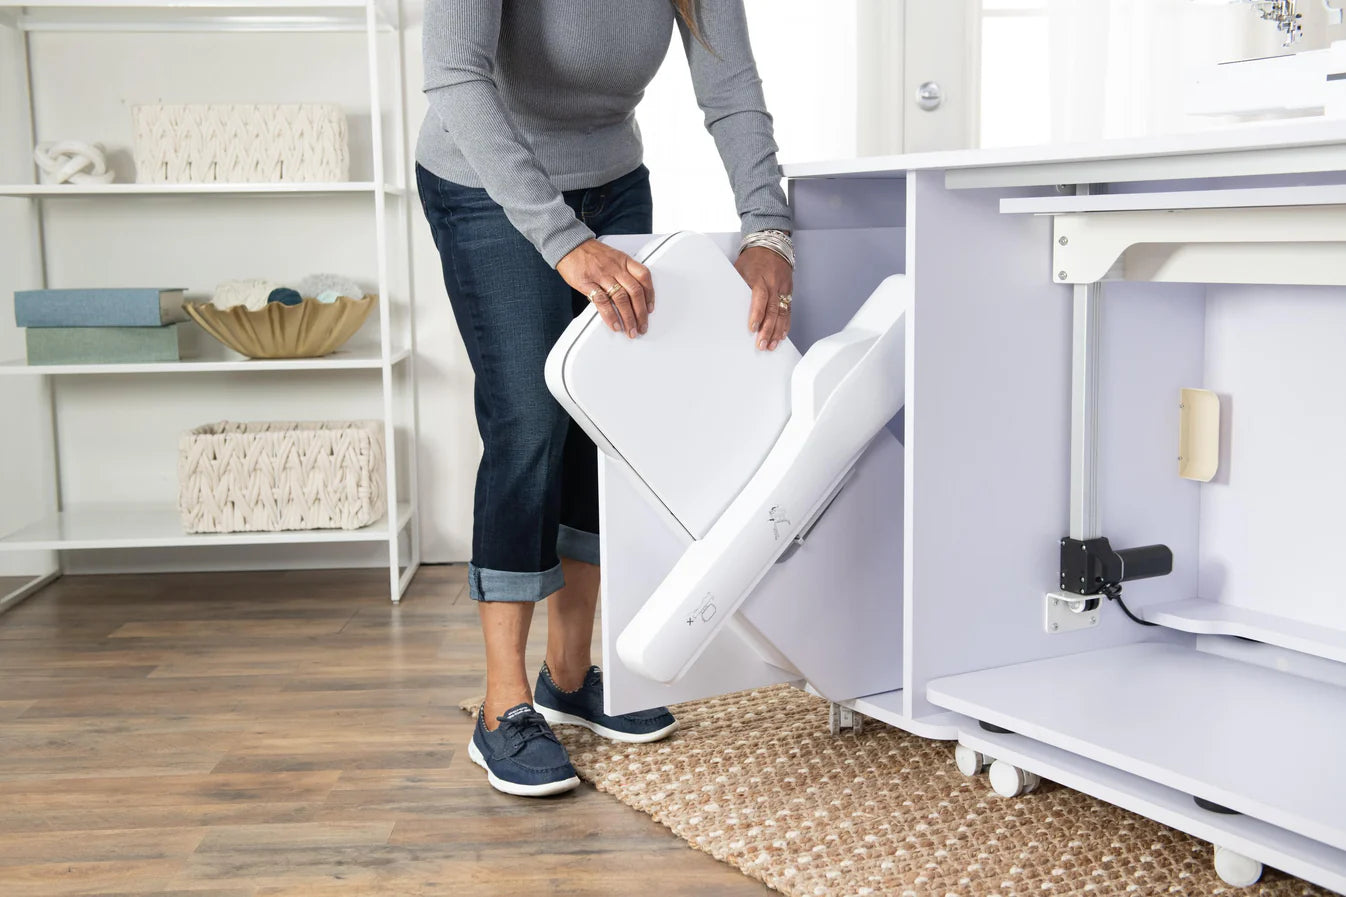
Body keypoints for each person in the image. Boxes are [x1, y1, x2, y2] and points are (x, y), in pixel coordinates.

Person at [417, 0, 795, 797]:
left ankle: (566, 674)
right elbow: (454, 75)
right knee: (527, 420)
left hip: (612, 184)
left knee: (601, 423)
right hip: (485, 181)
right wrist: (563, 242)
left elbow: (731, 89)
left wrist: (768, 229)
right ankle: (502, 704)